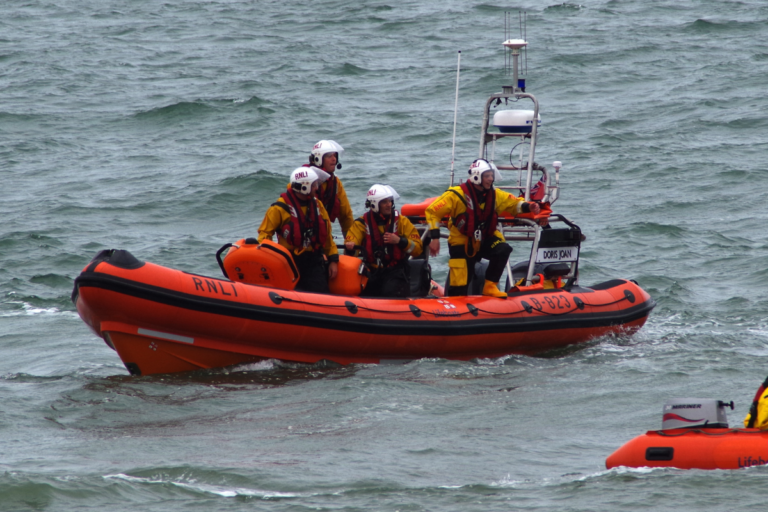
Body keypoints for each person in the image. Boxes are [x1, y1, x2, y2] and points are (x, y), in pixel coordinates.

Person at [425, 159, 540, 298]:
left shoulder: (495, 194)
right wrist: (435, 238)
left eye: (492, 175)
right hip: (462, 242)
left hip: (485, 239)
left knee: (503, 249)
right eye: (487, 176)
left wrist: (529, 206)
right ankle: (455, 305)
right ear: (476, 176)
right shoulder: (456, 195)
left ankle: (490, 286)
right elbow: (432, 212)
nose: (491, 179)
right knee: (459, 286)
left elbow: (513, 204)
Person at [258, 167, 339, 293]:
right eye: (314, 185)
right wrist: (272, 259)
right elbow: (264, 234)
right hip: (289, 263)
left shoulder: (318, 205)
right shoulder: (279, 208)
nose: (317, 188)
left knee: (322, 293)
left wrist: (333, 260)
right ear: (304, 187)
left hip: (314, 261)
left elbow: (327, 236)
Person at [344, 184, 423, 298]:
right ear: (375, 204)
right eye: (384, 202)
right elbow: (352, 246)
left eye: (390, 201)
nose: (389, 204)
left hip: (395, 271)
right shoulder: (361, 224)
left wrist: (400, 241)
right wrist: (351, 248)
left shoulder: (401, 222)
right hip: (372, 272)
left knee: (391, 291)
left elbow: (417, 249)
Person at [306, 140, 355, 237]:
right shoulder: (303, 179)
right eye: (329, 156)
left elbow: (346, 215)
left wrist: (351, 241)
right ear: (318, 159)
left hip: (323, 234)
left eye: (335, 156)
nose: (334, 159)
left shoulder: (335, 183)